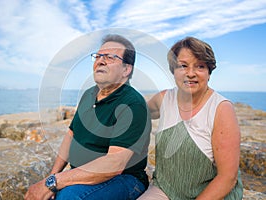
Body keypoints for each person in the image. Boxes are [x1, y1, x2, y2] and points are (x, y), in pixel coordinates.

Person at [25, 34, 151, 200]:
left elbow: (114, 165)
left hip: (125, 179)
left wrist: (54, 182)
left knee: (69, 197)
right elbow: (71, 135)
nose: (100, 60)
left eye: (110, 57)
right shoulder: (88, 95)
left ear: (126, 70)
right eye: (98, 56)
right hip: (85, 174)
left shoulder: (133, 104)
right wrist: (50, 179)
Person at [138, 37, 243, 199]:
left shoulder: (221, 108)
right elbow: (139, 113)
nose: (191, 73)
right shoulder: (165, 98)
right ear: (173, 70)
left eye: (200, 66)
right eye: (183, 66)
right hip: (165, 189)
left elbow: (227, 178)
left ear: (209, 72)